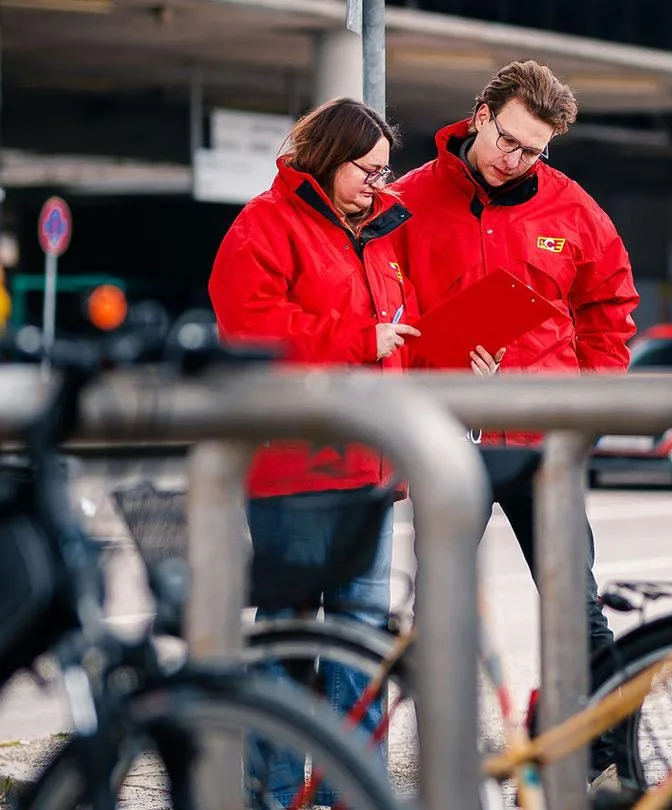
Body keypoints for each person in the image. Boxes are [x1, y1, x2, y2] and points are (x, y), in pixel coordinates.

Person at [390, 57, 639, 782]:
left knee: (575, 606)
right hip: (449, 440)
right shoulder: (407, 202)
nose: (515, 159)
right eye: (508, 140)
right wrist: (430, 365)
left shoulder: (574, 210)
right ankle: (445, 756)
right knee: (440, 607)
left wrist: (586, 409)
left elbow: (610, 311)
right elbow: (383, 310)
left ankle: (605, 753)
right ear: (480, 116)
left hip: (542, 442)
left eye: (534, 151)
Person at [208, 96, 417, 805]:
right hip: (295, 472)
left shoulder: (382, 235)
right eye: (367, 170)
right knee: (291, 643)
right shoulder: (263, 226)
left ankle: (351, 793)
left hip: (370, 470)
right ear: (327, 159)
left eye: (385, 171)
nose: (378, 185)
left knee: (361, 647)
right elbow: (252, 330)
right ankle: (271, 796)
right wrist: (360, 338)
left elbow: (400, 335)